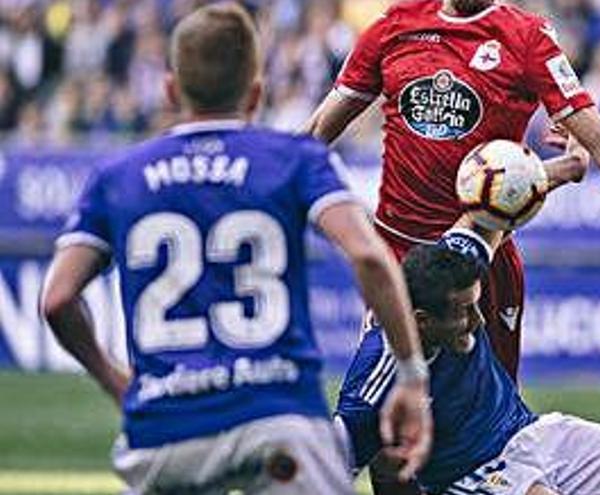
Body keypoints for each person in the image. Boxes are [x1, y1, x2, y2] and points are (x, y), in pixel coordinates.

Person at [39, 4, 430, 494]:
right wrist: (411, 375)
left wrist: (119, 383)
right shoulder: (294, 161)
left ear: (170, 90)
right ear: (256, 92)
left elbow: (56, 299)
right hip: (279, 419)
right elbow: (370, 255)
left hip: (164, 431)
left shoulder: (117, 178)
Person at [305, 0, 600, 384]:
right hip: (402, 259)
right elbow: (316, 134)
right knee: (386, 435)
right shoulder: (394, 26)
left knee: (489, 430)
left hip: (482, 261)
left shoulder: (527, 39)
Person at [336, 224, 600, 495]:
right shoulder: (374, 381)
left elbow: (491, 213)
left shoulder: (452, 263)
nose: (479, 322)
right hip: (467, 478)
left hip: (532, 435)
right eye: (465, 312)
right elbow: (322, 469)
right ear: (421, 322)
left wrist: (564, 165)